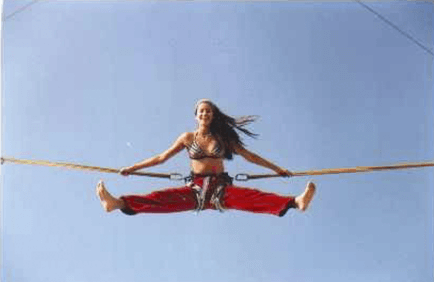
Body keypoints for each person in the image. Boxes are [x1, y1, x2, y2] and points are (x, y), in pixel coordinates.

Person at [96, 99, 316, 217]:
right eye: (201, 111)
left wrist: (277, 169)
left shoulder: (223, 138)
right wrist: (132, 168)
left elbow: (250, 156)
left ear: (213, 115)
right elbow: (162, 157)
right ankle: (117, 204)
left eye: (208, 111)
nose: (205, 114)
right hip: (196, 190)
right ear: (196, 115)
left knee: (254, 198)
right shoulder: (187, 137)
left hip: (222, 190)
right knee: (160, 199)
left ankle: (296, 202)